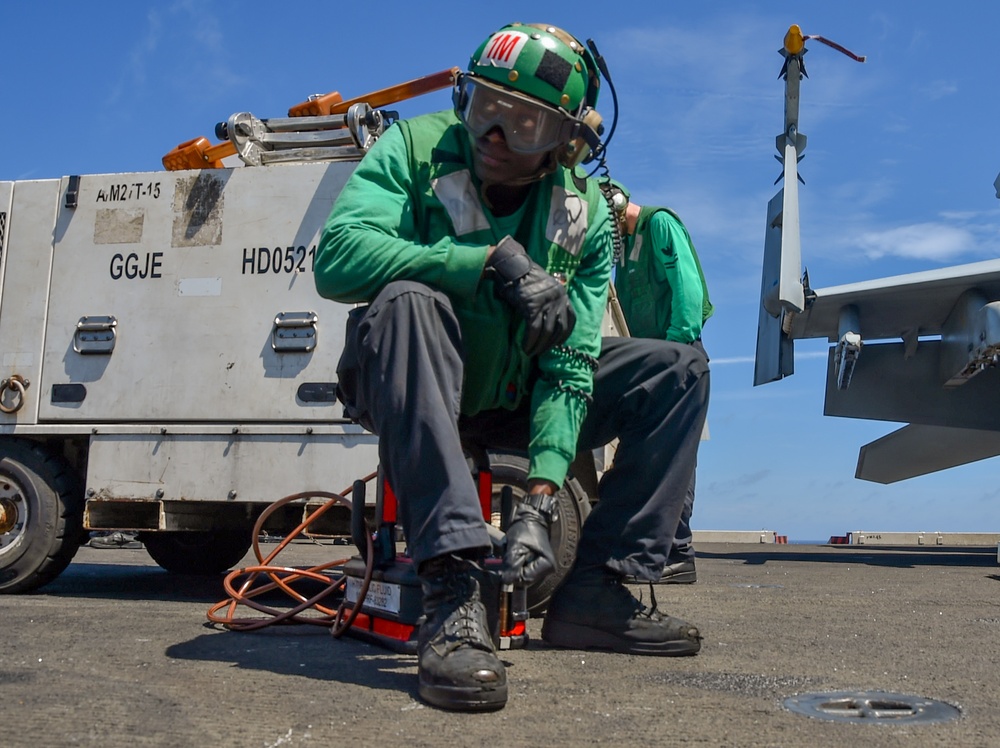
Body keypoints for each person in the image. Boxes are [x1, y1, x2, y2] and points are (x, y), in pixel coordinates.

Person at [315, 22, 709, 713]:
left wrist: (544, 494)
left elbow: (570, 365)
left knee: (676, 372)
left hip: (518, 394)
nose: (493, 136)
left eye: (522, 123)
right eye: (484, 108)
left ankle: (594, 591)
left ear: (566, 142)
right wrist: (486, 260)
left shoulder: (581, 218)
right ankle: (453, 589)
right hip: (413, 377)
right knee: (408, 302)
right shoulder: (410, 149)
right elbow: (339, 258)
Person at [604, 180, 713, 585]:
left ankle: (678, 554)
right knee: (646, 456)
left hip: (677, 357)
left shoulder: (660, 225)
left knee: (674, 457)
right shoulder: (622, 253)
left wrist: (675, 350)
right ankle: (648, 550)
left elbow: (687, 288)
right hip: (650, 362)